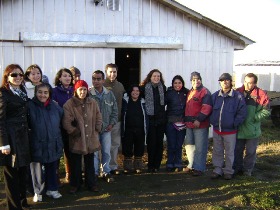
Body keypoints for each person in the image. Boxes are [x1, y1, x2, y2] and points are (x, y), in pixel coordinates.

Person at [0, 64, 31, 209]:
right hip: (10, 138)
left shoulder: (22, 90)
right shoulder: (3, 93)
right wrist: (3, 143)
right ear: (7, 77)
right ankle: (13, 206)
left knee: (23, 171)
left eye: (20, 74)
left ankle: (23, 201)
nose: (18, 77)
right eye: (14, 75)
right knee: (11, 174)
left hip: (23, 136)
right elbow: (0, 120)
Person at [63, 80, 102, 193]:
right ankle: (75, 184)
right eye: (80, 89)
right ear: (76, 90)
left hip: (90, 138)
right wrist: (74, 131)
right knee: (75, 163)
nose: (83, 92)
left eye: (85, 89)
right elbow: (66, 121)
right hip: (77, 139)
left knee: (90, 163)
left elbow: (98, 116)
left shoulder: (92, 102)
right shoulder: (69, 104)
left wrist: (97, 128)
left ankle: (91, 184)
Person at [28, 83, 63, 202]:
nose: (42, 95)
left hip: (53, 141)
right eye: (40, 92)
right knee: (36, 168)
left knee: (52, 167)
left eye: (45, 92)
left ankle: (52, 189)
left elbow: (62, 119)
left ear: (49, 94)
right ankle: (38, 191)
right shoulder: (29, 106)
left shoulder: (55, 106)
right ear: (35, 93)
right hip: (37, 142)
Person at [210, 73, 247, 180]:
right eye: (222, 81)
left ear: (230, 82)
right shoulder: (215, 96)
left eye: (227, 80)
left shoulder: (237, 96)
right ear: (220, 83)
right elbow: (209, 109)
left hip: (230, 131)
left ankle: (228, 171)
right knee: (217, 151)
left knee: (230, 152)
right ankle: (217, 169)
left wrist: (234, 123)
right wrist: (213, 121)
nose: (224, 82)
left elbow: (242, 112)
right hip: (217, 130)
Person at [233, 73, 270, 176]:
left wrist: (254, 117)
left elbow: (266, 111)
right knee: (237, 150)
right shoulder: (237, 92)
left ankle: (247, 170)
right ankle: (237, 168)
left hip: (252, 130)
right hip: (239, 128)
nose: (247, 85)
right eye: (245, 82)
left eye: (250, 83)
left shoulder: (261, 94)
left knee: (250, 152)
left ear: (255, 83)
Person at [89, 70, 118, 182]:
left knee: (106, 151)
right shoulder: (89, 94)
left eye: (98, 79)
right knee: (95, 152)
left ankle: (106, 171)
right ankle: (95, 173)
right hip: (93, 130)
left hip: (106, 128)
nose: (96, 81)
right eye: (94, 79)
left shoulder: (109, 94)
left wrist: (111, 124)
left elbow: (115, 111)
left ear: (103, 80)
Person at [184, 72, 212, 176]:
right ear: (191, 81)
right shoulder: (190, 91)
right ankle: (191, 164)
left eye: (198, 79)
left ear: (201, 80)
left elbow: (207, 107)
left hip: (200, 124)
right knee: (189, 145)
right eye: (194, 80)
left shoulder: (205, 92)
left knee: (200, 147)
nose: (196, 81)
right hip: (189, 124)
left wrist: (199, 119)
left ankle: (199, 168)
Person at [140, 69, 166, 173]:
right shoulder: (144, 88)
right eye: (154, 76)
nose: (156, 78)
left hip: (160, 120)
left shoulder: (163, 88)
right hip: (150, 119)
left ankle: (157, 165)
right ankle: (150, 165)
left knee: (159, 143)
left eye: (158, 76)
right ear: (150, 77)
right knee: (151, 143)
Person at [52, 68, 74, 183]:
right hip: (58, 127)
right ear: (59, 78)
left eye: (69, 76)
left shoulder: (74, 90)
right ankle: (55, 178)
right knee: (57, 152)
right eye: (65, 76)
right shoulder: (54, 91)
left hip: (73, 127)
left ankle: (70, 174)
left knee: (70, 151)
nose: (67, 78)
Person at [104, 63, 125, 175]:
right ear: (106, 72)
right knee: (103, 145)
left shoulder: (120, 86)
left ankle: (113, 166)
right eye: (110, 72)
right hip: (104, 122)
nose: (112, 74)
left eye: (114, 72)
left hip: (117, 120)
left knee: (115, 144)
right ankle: (103, 167)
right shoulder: (101, 84)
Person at [121, 84, 147, 174]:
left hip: (140, 129)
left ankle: (138, 166)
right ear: (130, 92)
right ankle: (127, 167)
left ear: (140, 92)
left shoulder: (143, 101)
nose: (135, 92)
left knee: (139, 147)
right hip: (128, 128)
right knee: (127, 148)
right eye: (133, 90)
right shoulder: (125, 101)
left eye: (137, 91)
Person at [165, 75, 188, 172]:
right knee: (171, 144)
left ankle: (178, 163)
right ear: (172, 84)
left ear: (182, 83)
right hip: (170, 122)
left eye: (179, 83)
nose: (177, 85)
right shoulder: (169, 93)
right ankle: (170, 163)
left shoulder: (186, 93)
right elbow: (161, 104)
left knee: (179, 144)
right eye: (175, 83)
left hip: (182, 122)